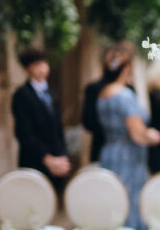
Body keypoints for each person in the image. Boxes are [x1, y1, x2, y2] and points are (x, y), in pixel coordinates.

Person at [96, 48, 160, 230]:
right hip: (129, 157)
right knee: (130, 204)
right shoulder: (125, 96)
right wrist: (152, 136)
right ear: (125, 70)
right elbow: (137, 134)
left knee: (111, 202)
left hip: (109, 153)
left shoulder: (103, 94)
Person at [11, 48, 70, 191]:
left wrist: (62, 156)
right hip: (35, 160)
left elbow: (58, 129)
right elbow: (24, 133)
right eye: (37, 65)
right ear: (27, 69)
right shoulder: (22, 95)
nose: (42, 69)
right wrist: (47, 159)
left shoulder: (52, 93)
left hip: (57, 158)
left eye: (44, 64)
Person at [81, 43, 129, 163]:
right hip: (102, 145)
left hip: (127, 148)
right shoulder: (94, 89)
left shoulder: (129, 89)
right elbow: (87, 120)